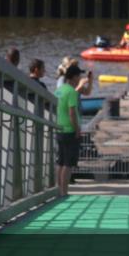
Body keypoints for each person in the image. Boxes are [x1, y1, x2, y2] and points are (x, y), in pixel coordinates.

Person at [54, 62, 84, 197]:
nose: (79, 79)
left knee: (60, 162)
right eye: (78, 76)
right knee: (68, 163)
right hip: (69, 131)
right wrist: (77, 129)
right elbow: (72, 112)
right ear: (74, 77)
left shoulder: (59, 90)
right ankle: (65, 192)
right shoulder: (72, 92)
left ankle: (59, 190)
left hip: (59, 128)